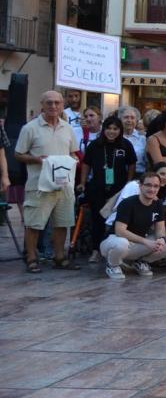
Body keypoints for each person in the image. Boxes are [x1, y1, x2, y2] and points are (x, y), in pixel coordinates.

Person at [15, 90, 82, 273]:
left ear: (62, 105)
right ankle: (32, 257)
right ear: (42, 105)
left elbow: (73, 152)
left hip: (64, 185)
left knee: (62, 223)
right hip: (39, 185)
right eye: (49, 103)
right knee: (34, 223)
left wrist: (73, 159)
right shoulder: (30, 128)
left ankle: (59, 257)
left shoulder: (67, 128)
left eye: (57, 103)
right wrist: (36, 159)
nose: (53, 106)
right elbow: (18, 154)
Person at [99, 171, 166, 280]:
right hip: (114, 241)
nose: (152, 189)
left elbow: (160, 229)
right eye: (148, 185)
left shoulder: (158, 204)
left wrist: (161, 240)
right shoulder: (128, 203)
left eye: (156, 186)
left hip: (136, 244)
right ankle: (113, 265)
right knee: (122, 243)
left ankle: (141, 262)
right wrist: (146, 242)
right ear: (140, 186)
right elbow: (120, 231)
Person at [80, 115, 138, 260]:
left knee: (117, 220)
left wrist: (129, 183)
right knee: (97, 219)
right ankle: (96, 250)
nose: (112, 132)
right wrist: (82, 182)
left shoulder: (125, 145)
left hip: (118, 189)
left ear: (120, 130)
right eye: (109, 128)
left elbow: (132, 164)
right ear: (103, 129)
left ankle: (115, 250)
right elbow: (86, 164)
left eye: (115, 129)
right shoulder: (94, 145)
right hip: (97, 187)